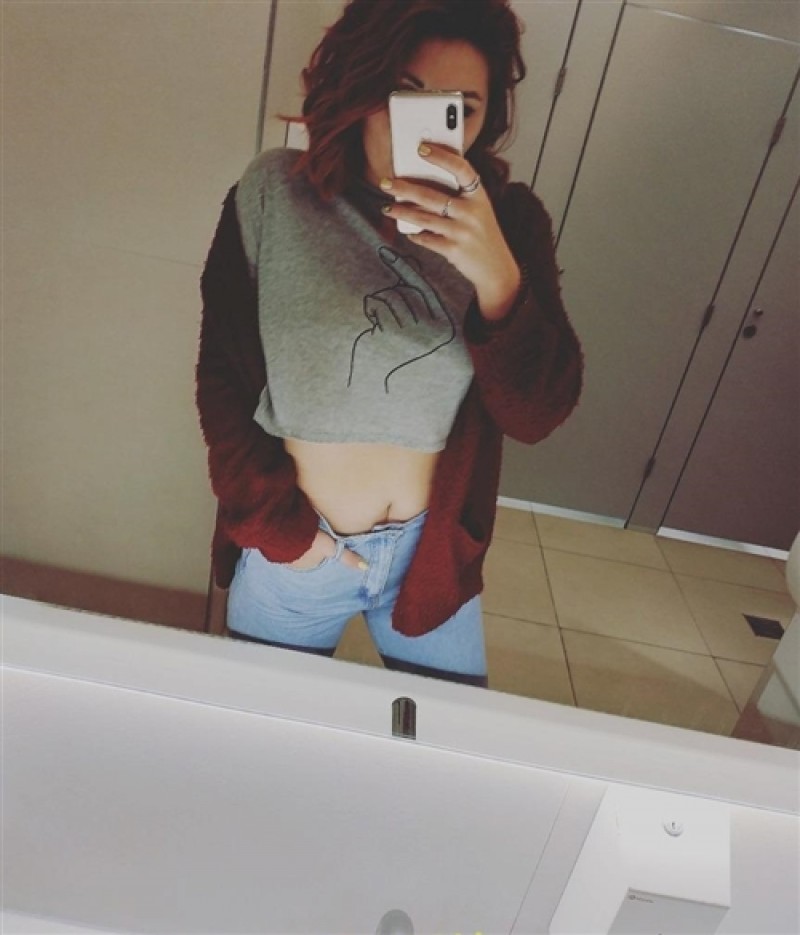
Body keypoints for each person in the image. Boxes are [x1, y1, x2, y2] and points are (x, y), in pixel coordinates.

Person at [196, 0, 583, 689]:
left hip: (428, 557)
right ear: (360, 83)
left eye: (459, 108)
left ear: (484, 119)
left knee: (442, 744)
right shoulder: (275, 194)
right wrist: (280, 532)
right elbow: (222, 379)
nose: (429, 130)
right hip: (298, 549)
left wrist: (499, 278)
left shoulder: (511, 224)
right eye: (407, 93)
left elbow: (538, 415)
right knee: (255, 737)